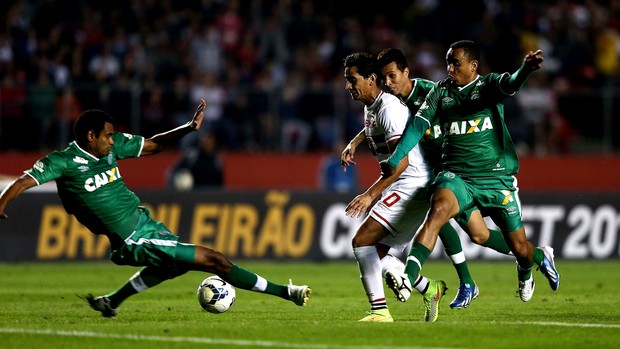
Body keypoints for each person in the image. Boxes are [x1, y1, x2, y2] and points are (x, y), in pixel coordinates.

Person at [0, 100, 311, 318]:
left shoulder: (114, 146)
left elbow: (155, 144)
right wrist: (1, 205)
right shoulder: (63, 161)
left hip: (147, 224)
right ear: (90, 136)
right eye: (107, 135)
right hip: (132, 240)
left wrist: (187, 128)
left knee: (173, 266)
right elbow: (23, 182)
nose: (112, 140)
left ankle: (112, 302)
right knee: (216, 260)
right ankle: (287, 293)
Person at [380, 40, 560, 305]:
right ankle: (409, 277)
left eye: (456, 63)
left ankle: (532, 262)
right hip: (457, 177)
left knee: (516, 247)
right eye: (448, 63)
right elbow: (418, 126)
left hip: (496, 178)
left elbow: (510, 84)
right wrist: (396, 158)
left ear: (473, 66)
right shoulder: (441, 91)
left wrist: (525, 70)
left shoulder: (486, 86)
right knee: (438, 209)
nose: (450, 69)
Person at [342, 52, 447, 323]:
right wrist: (355, 142)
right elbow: (372, 127)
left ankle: (380, 311)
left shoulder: (389, 108)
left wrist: (369, 195)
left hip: (410, 182)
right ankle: (430, 288)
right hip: (403, 183)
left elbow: (400, 164)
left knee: (361, 241)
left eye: (352, 80)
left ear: (370, 79)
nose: (348, 86)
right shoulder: (373, 106)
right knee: (375, 255)